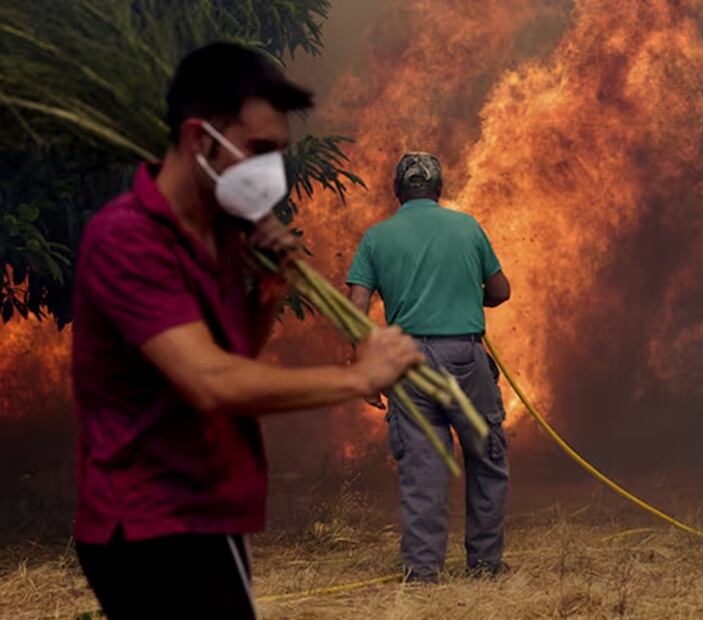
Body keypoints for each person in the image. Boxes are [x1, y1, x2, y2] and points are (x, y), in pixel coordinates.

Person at [71, 43, 424, 619]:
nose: (271, 171)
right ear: (198, 139)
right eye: (258, 150)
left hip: (204, 507)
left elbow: (232, 356)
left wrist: (268, 293)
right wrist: (359, 374)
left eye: (278, 153)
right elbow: (211, 381)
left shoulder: (220, 236)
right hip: (152, 521)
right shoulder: (129, 239)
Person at [346, 152, 512, 582]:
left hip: (407, 364)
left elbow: (356, 308)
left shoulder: (376, 237)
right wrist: (467, 297)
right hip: (465, 357)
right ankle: (485, 565)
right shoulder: (467, 226)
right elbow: (500, 290)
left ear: (397, 192)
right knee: (486, 457)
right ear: (439, 190)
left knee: (423, 468)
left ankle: (422, 574)